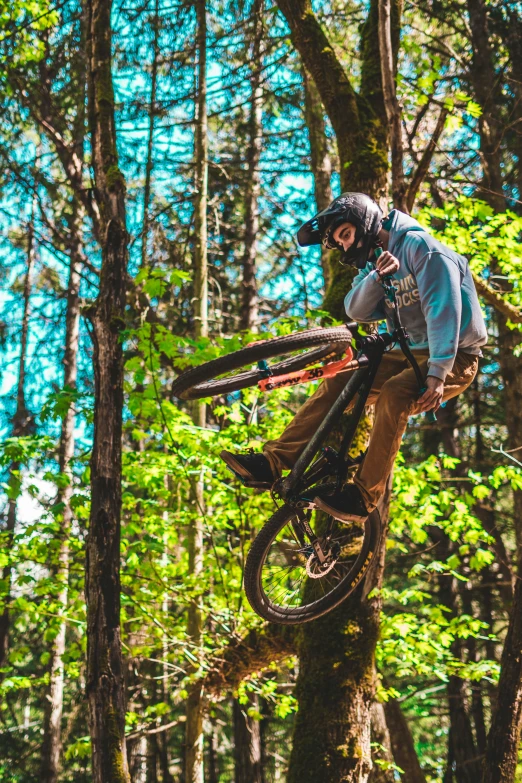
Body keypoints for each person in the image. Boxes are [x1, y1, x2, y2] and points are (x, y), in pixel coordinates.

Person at [221, 193, 487, 523]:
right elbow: (355, 309)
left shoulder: (421, 247)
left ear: (363, 222)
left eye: (345, 235)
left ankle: (363, 497)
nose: (345, 247)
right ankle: (272, 462)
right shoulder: (375, 260)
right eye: (338, 242)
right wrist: (376, 277)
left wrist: (438, 371)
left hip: (454, 356)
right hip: (407, 352)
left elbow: (443, 308)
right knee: (342, 379)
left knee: (395, 394)